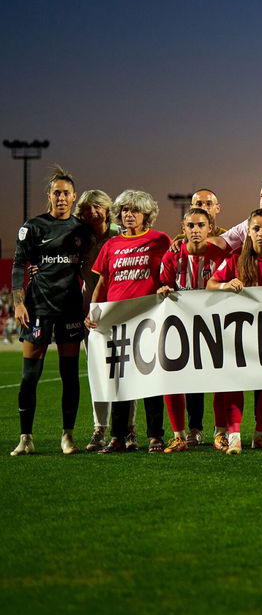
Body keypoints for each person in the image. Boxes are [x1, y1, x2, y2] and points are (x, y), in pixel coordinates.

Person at [10, 167, 94, 456]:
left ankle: (67, 436)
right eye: (56, 192)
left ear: (73, 197)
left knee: (69, 374)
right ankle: (25, 437)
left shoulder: (82, 230)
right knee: (29, 376)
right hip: (38, 309)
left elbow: (95, 261)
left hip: (70, 308)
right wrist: (19, 302)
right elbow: (19, 265)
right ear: (49, 195)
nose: (61, 197)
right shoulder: (33, 227)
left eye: (66, 193)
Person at [87, 190, 172, 453]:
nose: (128, 215)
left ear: (147, 214)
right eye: (124, 210)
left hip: (150, 319)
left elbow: (169, 275)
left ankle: (155, 435)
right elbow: (102, 282)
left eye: (134, 210)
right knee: (120, 381)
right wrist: (93, 310)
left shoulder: (160, 240)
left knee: (152, 379)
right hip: (117, 322)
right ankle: (118, 436)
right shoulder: (110, 245)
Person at [207, 209, 262, 454]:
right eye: (255, 229)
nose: (260, 233)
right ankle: (234, 435)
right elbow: (211, 284)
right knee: (235, 379)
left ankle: (260, 434)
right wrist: (226, 285)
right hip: (238, 332)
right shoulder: (236, 257)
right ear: (247, 232)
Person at [157, 208, 226, 451]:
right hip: (181, 328)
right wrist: (163, 290)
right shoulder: (171, 257)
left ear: (210, 228)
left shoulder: (221, 254)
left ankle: (221, 433)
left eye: (200, 225)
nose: (195, 230)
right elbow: (163, 285)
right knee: (174, 379)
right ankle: (179, 435)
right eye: (190, 226)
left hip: (214, 327)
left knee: (220, 379)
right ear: (183, 229)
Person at [73, 189, 128, 451]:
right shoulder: (78, 238)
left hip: (122, 309)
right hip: (91, 313)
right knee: (97, 372)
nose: (92, 212)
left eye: (97, 207)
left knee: (128, 372)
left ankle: (129, 429)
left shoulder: (121, 233)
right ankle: (99, 428)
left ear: (107, 209)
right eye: (86, 209)